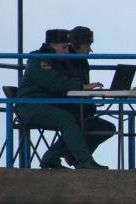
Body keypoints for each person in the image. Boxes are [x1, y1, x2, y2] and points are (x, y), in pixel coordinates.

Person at [15, 28, 107, 169]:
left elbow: (63, 82)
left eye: (68, 47)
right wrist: (82, 87)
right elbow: (55, 83)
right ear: (52, 45)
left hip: (50, 105)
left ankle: (52, 158)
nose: (66, 51)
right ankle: (84, 161)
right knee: (66, 119)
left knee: (84, 119)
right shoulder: (39, 60)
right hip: (31, 106)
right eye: (64, 47)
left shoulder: (59, 61)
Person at [52, 25, 116, 164]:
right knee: (77, 124)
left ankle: (75, 156)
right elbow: (64, 85)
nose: (90, 50)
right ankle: (63, 156)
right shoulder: (65, 61)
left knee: (107, 128)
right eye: (87, 45)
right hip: (68, 107)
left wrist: (88, 91)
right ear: (76, 45)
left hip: (81, 108)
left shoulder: (81, 61)